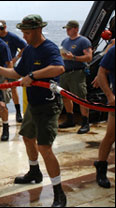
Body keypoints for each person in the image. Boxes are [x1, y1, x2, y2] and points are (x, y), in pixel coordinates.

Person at [0, 15, 67, 206]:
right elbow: (16, 73)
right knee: (27, 137)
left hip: (49, 104)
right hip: (34, 104)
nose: (24, 36)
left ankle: (59, 193)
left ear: (38, 30)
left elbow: (59, 68)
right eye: (23, 32)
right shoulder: (29, 50)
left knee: (44, 148)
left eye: (27, 32)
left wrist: (34, 75)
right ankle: (34, 172)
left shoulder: (49, 48)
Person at [59, 20, 93, 134]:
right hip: (65, 72)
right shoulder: (65, 41)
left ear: (76, 29)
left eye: (69, 28)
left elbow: (89, 57)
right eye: (66, 29)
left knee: (81, 98)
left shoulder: (83, 41)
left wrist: (74, 58)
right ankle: (70, 119)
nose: (67, 31)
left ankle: (85, 122)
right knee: (65, 97)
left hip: (77, 73)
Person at [93, 46, 115, 188]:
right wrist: (110, 96)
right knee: (111, 135)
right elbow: (101, 72)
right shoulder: (113, 51)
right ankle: (101, 168)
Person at [0, 20, 27, 122]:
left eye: (2, 28)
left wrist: (16, 58)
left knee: (13, 88)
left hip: (10, 65)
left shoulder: (12, 37)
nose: (0, 31)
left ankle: (18, 112)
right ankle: (0, 110)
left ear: (5, 27)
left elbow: (24, 47)